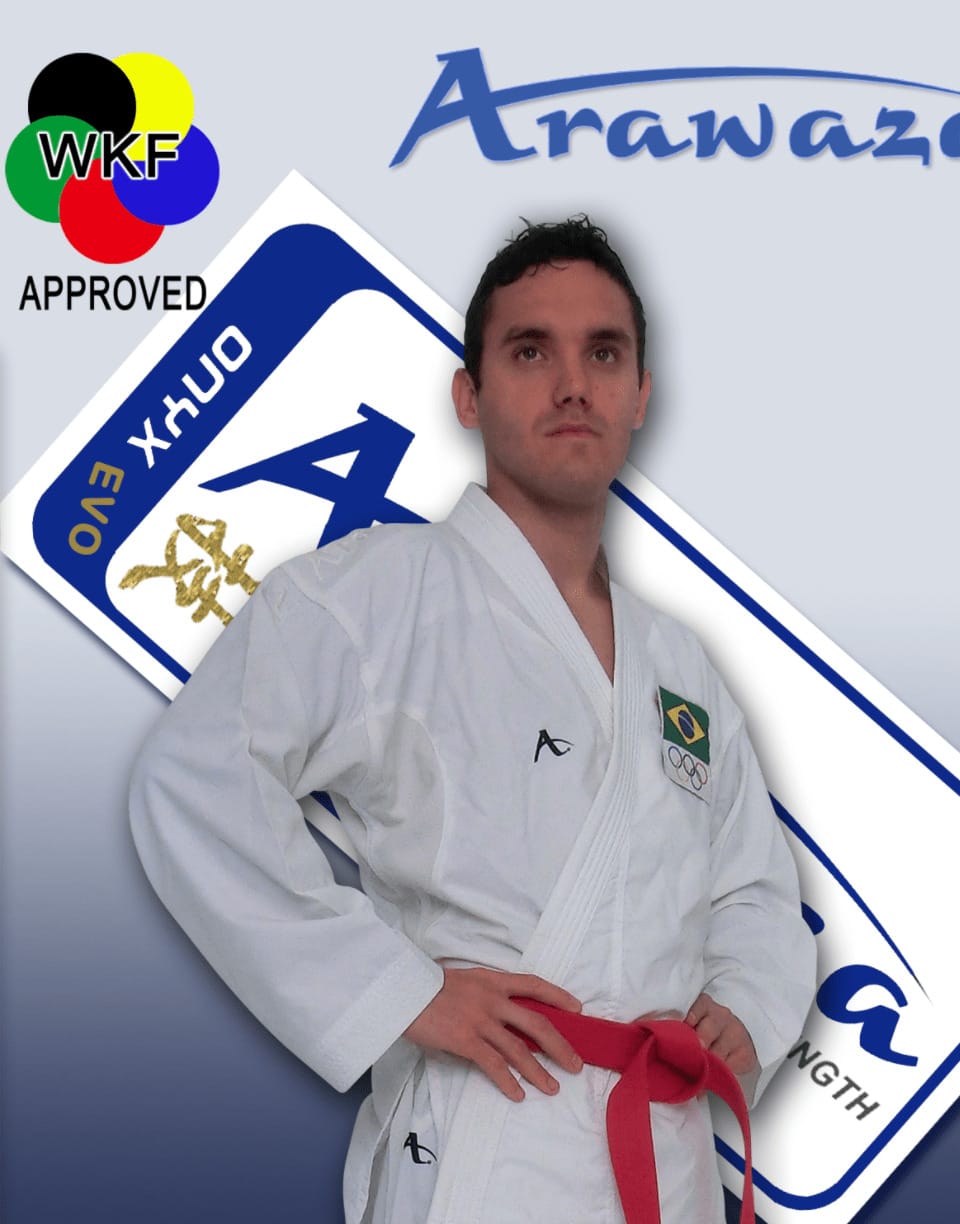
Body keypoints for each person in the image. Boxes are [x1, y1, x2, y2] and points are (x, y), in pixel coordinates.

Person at [129, 217, 815, 1224]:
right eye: (531, 351)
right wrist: (396, 991)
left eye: (604, 354)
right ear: (469, 394)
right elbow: (196, 779)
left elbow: (751, 884)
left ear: (639, 396)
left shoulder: (680, 665)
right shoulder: (372, 595)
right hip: (486, 1139)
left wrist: (748, 1003)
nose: (572, 384)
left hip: (662, 1154)